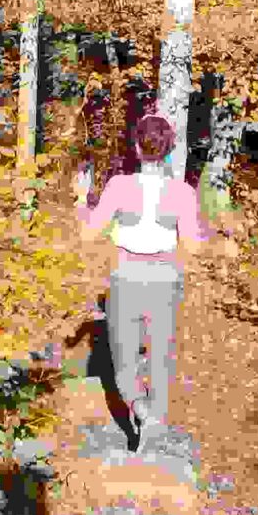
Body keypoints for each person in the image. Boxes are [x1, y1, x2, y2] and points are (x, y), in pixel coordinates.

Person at [72, 113, 221, 448]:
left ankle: (140, 409)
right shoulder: (181, 192)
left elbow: (89, 234)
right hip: (166, 279)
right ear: (169, 151)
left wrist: (82, 199)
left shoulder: (119, 187)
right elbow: (196, 248)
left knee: (123, 363)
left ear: (137, 147)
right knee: (160, 358)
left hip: (127, 277)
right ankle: (154, 421)